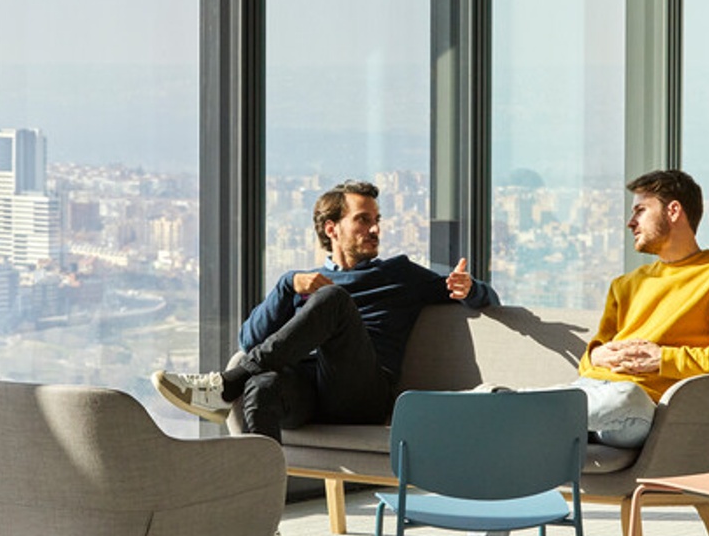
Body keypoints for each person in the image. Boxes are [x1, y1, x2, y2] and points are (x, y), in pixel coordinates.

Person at [465, 169, 709, 536]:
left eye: (641, 210)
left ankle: (512, 406)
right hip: (590, 397)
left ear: (674, 211)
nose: (630, 221)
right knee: (521, 436)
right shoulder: (626, 286)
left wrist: (664, 359)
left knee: (623, 395)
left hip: (643, 411)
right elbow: (589, 364)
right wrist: (598, 355)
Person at [152, 179, 498, 442]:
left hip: (362, 396)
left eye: (377, 219)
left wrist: (472, 289)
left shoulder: (399, 274)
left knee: (334, 300)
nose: (375, 229)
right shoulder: (307, 283)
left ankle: (224, 387)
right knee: (264, 384)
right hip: (309, 396)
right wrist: (287, 285)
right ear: (332, 228)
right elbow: (249, 339)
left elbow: (488, 300)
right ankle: (265, 516)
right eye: (363, 220)